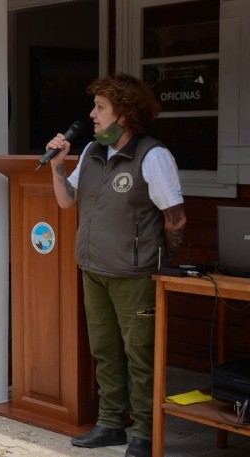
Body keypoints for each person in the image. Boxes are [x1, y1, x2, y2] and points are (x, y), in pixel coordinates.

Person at [46, 73, 186, 457]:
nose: (92, 114)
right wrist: (59, 166)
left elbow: (175, 219)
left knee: (140, 355)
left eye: (101, 107)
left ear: (124, 114)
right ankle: (110, 423)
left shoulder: (153, 156)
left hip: (135, 275)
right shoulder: (92, 151)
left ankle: (144, 431)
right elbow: (66, 201)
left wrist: (160, 266)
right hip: (94, 269)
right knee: (105, 351)